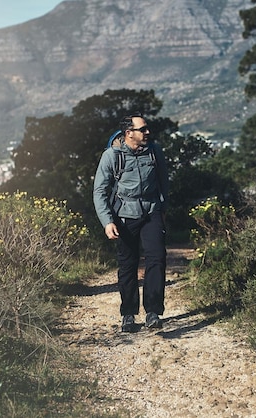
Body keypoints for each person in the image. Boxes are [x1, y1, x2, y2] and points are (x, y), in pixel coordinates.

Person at [93, 112, 169, 332]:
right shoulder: (112, 156)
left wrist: (163, 209)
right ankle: (128, 314)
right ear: (129, 133)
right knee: (128, 264)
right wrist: (107, 221)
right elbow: (99, 191)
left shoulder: (155, 153)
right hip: (124, 215)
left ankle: (153, 312)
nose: (147, 132)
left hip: (152, 211)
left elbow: (164, 183)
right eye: (142, 129)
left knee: (157, 258)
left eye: (146, 128)